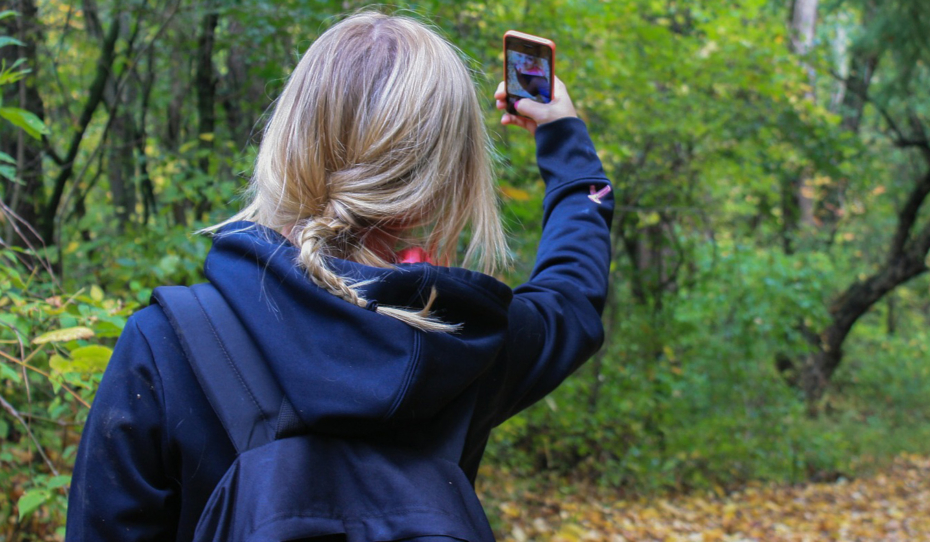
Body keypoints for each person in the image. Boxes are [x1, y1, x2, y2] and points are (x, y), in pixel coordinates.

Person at [66, 11, 612, 542]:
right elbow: (573, 293)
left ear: (291, 139)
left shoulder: (166, 345)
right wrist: (564, 136)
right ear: (446, 176)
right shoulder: (471, 346)